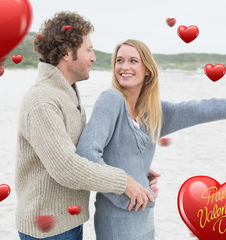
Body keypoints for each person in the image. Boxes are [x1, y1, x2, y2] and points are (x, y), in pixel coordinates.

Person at [75, 39, 226, 240]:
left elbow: (207, 108)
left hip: (145, 217)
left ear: (147, 70)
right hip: (117, 220)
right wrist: (127, 182)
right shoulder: (111, 99)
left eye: (133, 61)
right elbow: (86, 154)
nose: (124, 67)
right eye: (119, 60)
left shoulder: (154, 113)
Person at [15, 13, 159, 240]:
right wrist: (124, 181)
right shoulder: (42, 100)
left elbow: (78, 146)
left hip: (68, 222)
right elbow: (65, 167)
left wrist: (128, 163)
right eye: (88, 50)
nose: (93, 57)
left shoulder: (66, 91)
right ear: (66, 53)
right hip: (47, 231)